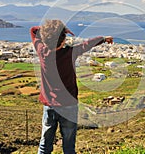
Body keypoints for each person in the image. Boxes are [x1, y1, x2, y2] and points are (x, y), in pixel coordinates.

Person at [30, 20, 113, 154]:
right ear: (62, 41)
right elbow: (87, 45)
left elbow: (33, 30)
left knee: (45, 144)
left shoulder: (42, 51)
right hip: (69, 105)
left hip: (49, 105)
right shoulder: (70, 53)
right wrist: (103, 39)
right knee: (69, 147)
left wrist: (49, 31)